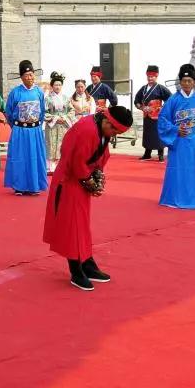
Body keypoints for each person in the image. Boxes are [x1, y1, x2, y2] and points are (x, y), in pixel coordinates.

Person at [43, 105, 134, 291]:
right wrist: (91, 182)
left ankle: (87, 264)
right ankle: (76, 270)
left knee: (82, 225)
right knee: (72, 226)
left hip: (80, 179)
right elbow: (77, 162)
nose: (114, 135)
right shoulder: (87, 130)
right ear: (107, 121)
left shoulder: (101, 127)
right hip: (69, 181)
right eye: (115, 131)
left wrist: (97, 175)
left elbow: (101, 155)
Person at [158, 64, 195, 209]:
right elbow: (162, 120)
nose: (187, 83)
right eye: (184, 81)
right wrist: (175, 130)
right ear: (180, 82)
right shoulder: (173, 100)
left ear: (194, 82)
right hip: (179, 141)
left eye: (189, 81)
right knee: (178, 170)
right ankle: (175, 198)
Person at [4, 60, 48, 195]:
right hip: (20, 130)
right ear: (21, 77)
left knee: (35, 158)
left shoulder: (39, 92)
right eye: (27, 75)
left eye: (31, 74)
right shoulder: (15, 92)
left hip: (35, 130)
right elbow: (9, 112)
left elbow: (42, 111)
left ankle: (35, 185)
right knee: (20, 158)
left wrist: (36, 125)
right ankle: (19, 186)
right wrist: (17, 126)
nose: (30, 77)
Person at [134, 65, 172, 162]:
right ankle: (147, 154)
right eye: (149, 76)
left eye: (152, 77)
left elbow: (170, 99)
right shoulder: (143, 89)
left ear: (156, 77)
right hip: (147, 115)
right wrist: (142, 107)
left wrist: (162, 108)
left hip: (157, 116)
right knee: (148, 134)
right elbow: (137, 100)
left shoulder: (160, 88)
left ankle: (160, 154)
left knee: (158, 134)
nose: (150, 78)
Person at [44, 72, 73, 174]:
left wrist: (65, 117)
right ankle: (50, 166)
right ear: (52, 86)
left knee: (63, 144)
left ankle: (62, 165)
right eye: (56, 85)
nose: (58, 87)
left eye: (59, 85)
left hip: (64, 124)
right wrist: (55, 118)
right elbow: (44, 112)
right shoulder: (47, 98)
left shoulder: (66, 98)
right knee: (51, 143)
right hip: (52, 125)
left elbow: (71, 110)